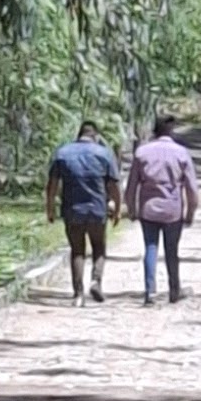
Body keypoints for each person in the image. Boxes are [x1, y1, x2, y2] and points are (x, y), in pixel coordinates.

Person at [122, 113, 200, 304]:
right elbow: (191, 188)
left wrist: (131, 208)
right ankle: (174, 290)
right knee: (172, 250)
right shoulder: (181, 153)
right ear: (172, 131)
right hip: (172, 210)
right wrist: (190, 212)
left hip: (148, 209)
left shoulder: (142, 153)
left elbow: (131, 185)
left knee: (150, 248)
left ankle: (150, 292)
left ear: (154, 130)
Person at [47, 118, 121, 301]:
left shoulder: (62, 153)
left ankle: (78, 294)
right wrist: (118, 209)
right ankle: (96, 281)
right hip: (97, 209)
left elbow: (52, 185)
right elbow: (114, 186)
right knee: (99, 248)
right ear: (95, 135)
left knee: (77, 250)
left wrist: (49, 208)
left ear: (79, 134)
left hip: (72, 210)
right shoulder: (104, 154)